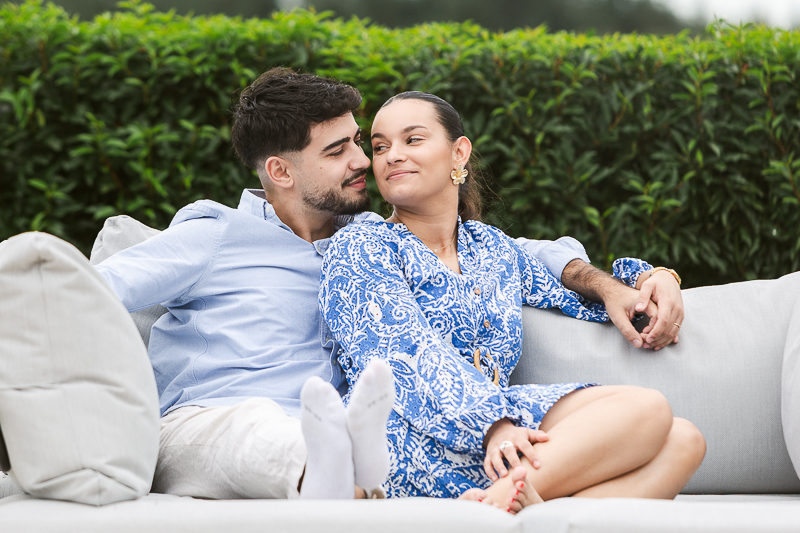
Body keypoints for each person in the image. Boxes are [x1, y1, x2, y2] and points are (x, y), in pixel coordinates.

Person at [2, 67, 683, 504]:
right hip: (213, 419)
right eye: (345, 150)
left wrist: (642, 280)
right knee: (282, 434)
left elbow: (515, 256)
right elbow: (82, 294)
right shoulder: (219, 234)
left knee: (680, 437)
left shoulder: (363, 236)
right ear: (281, 171)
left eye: (364, 142)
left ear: (458, 154)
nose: (367, 161)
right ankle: (357, 477)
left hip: (342, 422)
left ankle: (494, 504)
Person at [319, 91, 706, 510]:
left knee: (685, 441)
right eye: (380, 147)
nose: (392, 155)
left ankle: (505, 507)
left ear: (458, 153)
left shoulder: (492, 248)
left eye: (412, 140)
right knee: (647, 407)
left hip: (501, 432)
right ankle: (498, 506)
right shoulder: (360, 245)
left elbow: (579, 297)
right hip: (406, 431)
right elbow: (401, 353)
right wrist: (492, 424)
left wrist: (651, 278)